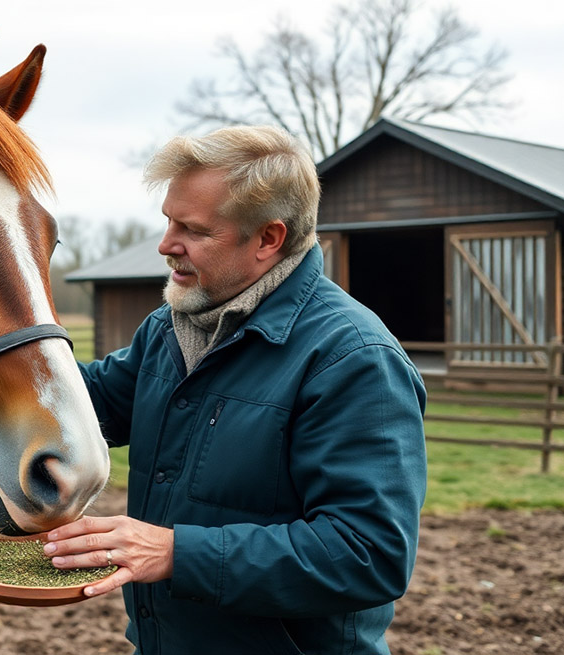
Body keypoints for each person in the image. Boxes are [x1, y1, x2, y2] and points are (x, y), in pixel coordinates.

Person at [43, 125, 427, 654]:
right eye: (167, 221)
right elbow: (92, 404)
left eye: (193, 230)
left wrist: (177, 553)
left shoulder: (352, 359)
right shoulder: (170, 329)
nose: (165, 244)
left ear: (269, 239)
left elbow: (368, 552)